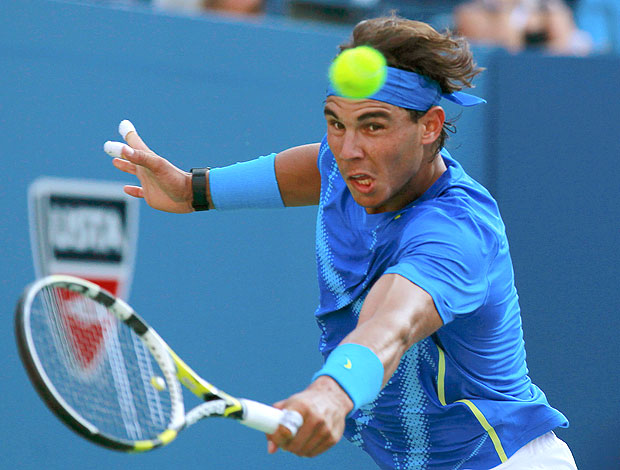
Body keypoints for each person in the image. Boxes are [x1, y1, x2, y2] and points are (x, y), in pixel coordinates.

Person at [104, 15, 578, 469]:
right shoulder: (350, 167)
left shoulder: (455, 233)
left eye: (374, 125)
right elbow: (312, 168)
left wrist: (333, 392)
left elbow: (393, 322)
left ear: (430, 126)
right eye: (336, 122)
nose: (349, 149)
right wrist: (193, 190)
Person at [454, 0, 592, 55]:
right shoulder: (471, 12)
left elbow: (562, 46)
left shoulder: (547, 8)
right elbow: (508, 47)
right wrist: (505, 9)